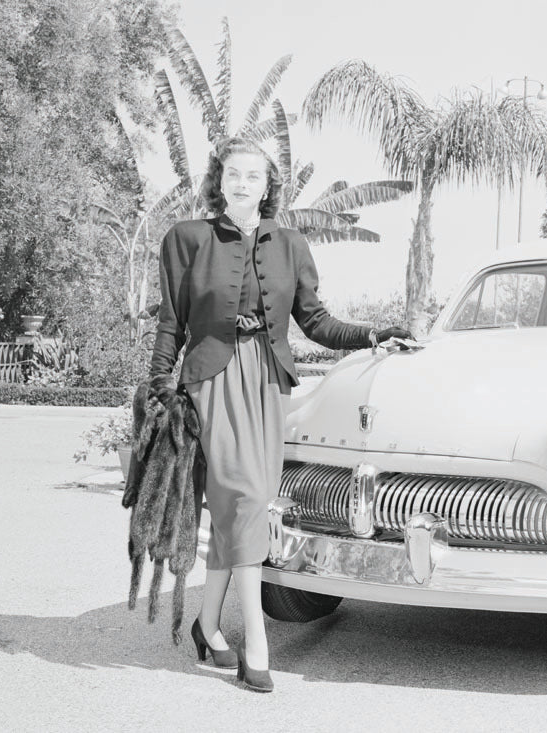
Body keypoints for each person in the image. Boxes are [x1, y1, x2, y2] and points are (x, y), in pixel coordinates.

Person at [149, 137, 412, 692]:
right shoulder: (186, 238)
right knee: (243, 498)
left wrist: (373, 333)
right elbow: (171, 322)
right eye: (233, 174)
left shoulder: (290, 243)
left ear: (269, 187)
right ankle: (258, 641)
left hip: (269, 383)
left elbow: (316, 322)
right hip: (213, 381)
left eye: (254, 176)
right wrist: (159, 386)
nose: (243, 184)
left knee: (242, 505)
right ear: (218, 180)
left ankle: (207, 625)